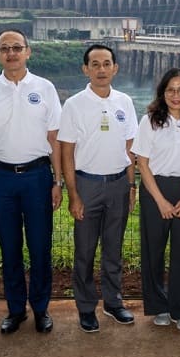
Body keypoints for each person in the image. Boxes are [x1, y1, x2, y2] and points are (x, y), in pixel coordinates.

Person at [0, 30, 62, 335]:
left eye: (17, 48)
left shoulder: (45, 88)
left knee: (40, 248)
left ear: (28, 52)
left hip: (38, 177)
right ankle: (15, 309)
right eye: (5, 48)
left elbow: (55, 137)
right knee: (9, 248)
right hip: (1, 179)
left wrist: (58, 181)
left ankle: (40, 308)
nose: (11, 53)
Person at [59, 43, 138, 333]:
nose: (101, 69)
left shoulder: (125, 102)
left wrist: (132, 185)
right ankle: (86, 307)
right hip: (87, 184)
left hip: (118, 183)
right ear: (86, 69)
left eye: (107, 64)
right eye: (95, 64)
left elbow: (131, 147)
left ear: (115, 68)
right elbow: (66, 152)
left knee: (114, 248)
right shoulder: (74, 105)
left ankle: (113, 302)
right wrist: (73, 194)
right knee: (85, 250)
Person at [132, 68, 180, 331]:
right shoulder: (150, 120)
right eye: (171, 89)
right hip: (155, 190)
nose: (176, 95)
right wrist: (160, 200)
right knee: (153, 251)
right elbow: (143, 163)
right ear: (163, 92)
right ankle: (158, 306)